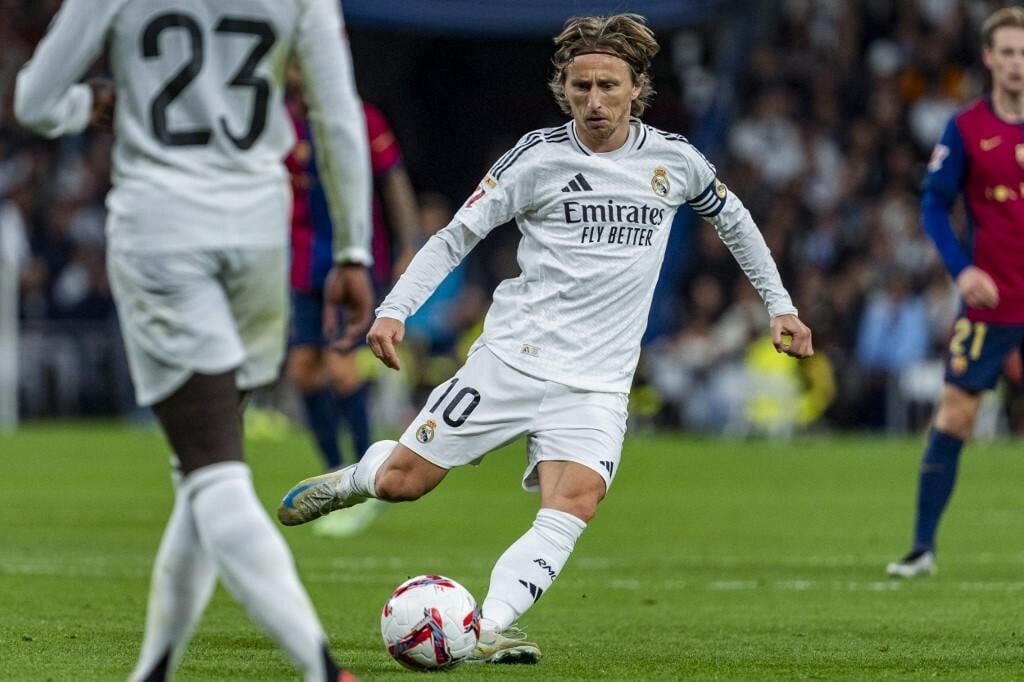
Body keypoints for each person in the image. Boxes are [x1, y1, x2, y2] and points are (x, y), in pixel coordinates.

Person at [278, 13, 813, 663]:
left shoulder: (675, 161)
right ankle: (362, 476)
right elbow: (455, 236)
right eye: (581, 86)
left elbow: (735, 220)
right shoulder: (536, 158)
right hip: (511, 360)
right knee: (404, 484)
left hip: (597, 382)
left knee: (576, 501)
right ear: (565, 88)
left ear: (636, 88)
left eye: (609, 86)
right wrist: (396, 310)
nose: (595, 101)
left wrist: (779, 306)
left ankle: (482, 629)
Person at [15, 1, 373, 679]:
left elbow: (34, 100)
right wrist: (352, 251)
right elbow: (336, 114)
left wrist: (87, 104)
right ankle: (153, 668)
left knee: (212, 467)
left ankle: (322, 668)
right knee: (202, 465)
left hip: (163, 227)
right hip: (259, 230)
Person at [886, 7, 1024, 579]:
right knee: (956, 416)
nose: (1019, 63)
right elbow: (933, 205)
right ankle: (922, 548)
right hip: (992, 305)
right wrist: (962, 270)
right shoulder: (966, 128)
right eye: (1009, 53)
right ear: (990, 59)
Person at [286, 89, 418, 536]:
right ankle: (332, 477)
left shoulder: (361, 117)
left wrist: (410, 243)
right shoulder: (281, 122)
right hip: (301, 263)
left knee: (342, 369)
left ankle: (364, 481)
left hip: (354, 260)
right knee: (304, 370)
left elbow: (392, 179)